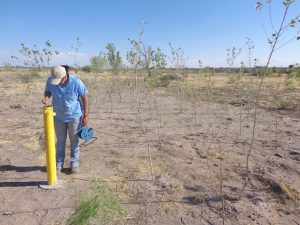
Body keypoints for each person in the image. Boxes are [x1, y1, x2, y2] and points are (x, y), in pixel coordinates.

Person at [42, 65, 89, 174]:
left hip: (74, 117)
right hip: (58, 116)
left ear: (65, 77)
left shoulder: (76, 82)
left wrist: (85, 115)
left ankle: (74, 165)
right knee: (60, 141)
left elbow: (85, 98)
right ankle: (58, 165)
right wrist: (46, 98)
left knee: (74, 141)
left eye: (59, 81)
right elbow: (48, 91)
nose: (57, 83)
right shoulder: (51, 80)